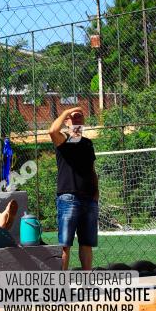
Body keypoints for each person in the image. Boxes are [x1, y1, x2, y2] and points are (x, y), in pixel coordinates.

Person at [49, 107, 98, 271]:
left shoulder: (87, 143)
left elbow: (92, 170)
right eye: (73, 117)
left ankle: (87, 282)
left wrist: (96, 194)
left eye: (79, 116)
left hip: (89, 199)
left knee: (87, 243)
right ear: (66, 121)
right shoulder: (64, 141)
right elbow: (52, 130)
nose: (76, 119)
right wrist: (67, 111)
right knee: (65, 244)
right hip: (68, 198)